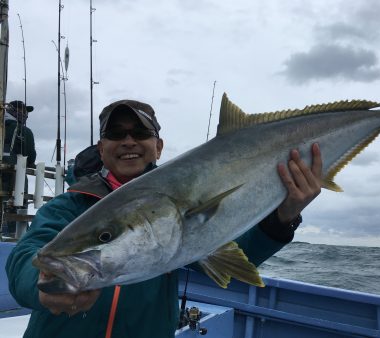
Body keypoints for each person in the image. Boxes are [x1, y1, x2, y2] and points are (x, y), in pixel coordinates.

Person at [6, 99, 323, 338]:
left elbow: (233, 254)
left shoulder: (182, 199)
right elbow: (26, 256)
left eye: (140, 132)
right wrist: (43, 286)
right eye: (116, 134)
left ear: (158, 146)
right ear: (101, 149)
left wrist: (283, 218)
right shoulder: (68, 206)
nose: (129, 141)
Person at [1, 100, 36, 237]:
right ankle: (15, 237)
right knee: (16, 214)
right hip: (15, 180)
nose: (26, 115)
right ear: (13, 111)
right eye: (23, 111)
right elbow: (30, 157)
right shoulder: (24, 131)